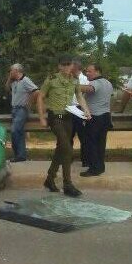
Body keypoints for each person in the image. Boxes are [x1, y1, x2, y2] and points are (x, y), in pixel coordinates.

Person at [37, 55, 91, 197]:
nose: (67, 67)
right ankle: (68, 184)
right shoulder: (52, 79)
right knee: (67, 148)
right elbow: (40, 96)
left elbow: (79, 96)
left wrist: (86, 110)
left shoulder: (74, 80)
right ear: (59, 66)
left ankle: (49, 179)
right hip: (56, 118)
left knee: (61, 148)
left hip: (69, 118)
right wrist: (42, 117)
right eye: (64, 64)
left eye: (70, 64)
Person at [80, 64, 113, 176]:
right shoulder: (108, 83)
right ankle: (100, 167)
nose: (87, 73)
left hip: (95, 117)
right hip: (105, 117)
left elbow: (90, 89)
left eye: (89, 71)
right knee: (100, 143)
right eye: (86, 71)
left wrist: (72, 85)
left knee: (92, 143)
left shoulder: (95, 83)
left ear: (98, 71)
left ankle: (94, 169)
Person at [5, 64, 39, 162]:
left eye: (11, 71)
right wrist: (9, 79)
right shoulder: (14, 82)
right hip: (14, 109)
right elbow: (7, 89)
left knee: (15, 130)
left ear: (17, 70)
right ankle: (19, 155)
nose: (10, 72)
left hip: (21, 109)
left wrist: (29, 103)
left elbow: (36, 91)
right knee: (18, 132)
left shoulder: (25, 80)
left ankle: (20, 155)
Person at [70, 58, 89, 166]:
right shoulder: (69, 78)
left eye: (72, 66)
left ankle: (85, 160)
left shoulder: (85, 79)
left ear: (77, 67)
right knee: (68, 136)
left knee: (83, 136)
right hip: (69, 109)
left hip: (80, 109)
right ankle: (68, 158)